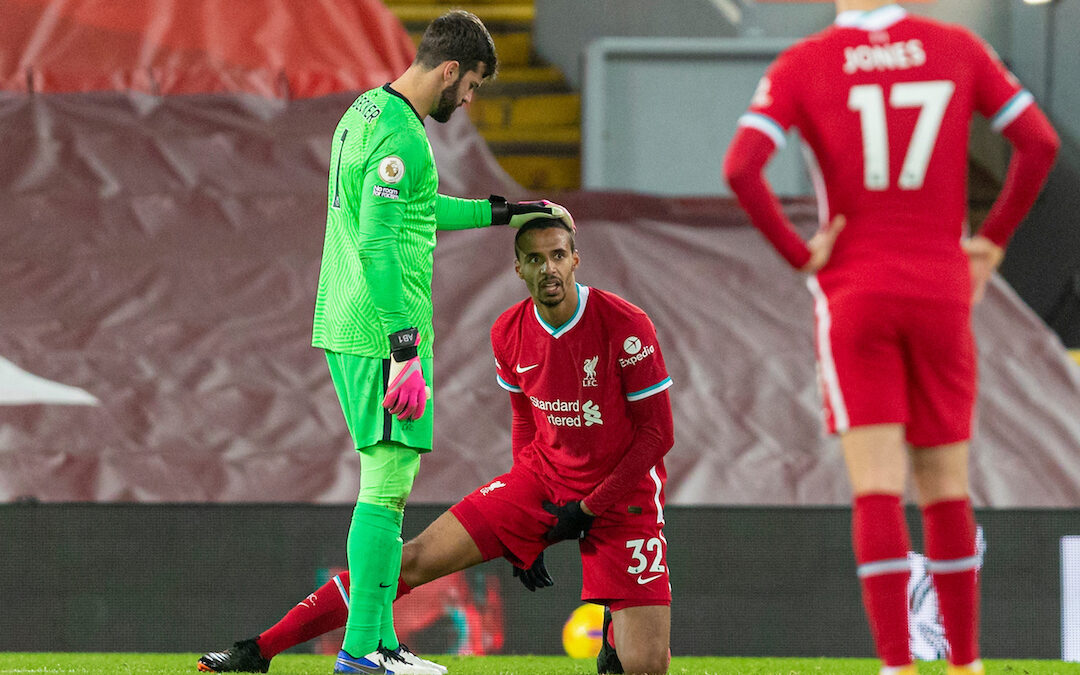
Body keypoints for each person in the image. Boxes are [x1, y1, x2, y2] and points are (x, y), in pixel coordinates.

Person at [722, 2, 1059, 675]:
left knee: (877, 487)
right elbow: (1040, 143)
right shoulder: (957, 47)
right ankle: (965, 663)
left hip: (856, 293)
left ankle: (897, 665)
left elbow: (741, 168)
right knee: (946, 488)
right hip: (940, 290)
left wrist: (800, 252)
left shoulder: (805, 62)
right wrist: (989, 244)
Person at [201, 218, 676, 675]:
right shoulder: (507, 331)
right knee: (407, 561)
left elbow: (658, 435)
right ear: (519, 268)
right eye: (535, 259)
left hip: (621, 495)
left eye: (557, 256)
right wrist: (529, 523)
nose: (548, 268)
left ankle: (614, 632)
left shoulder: (626, 324)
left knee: (645, 667)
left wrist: (589, 509)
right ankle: (260, 648)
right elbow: (524, 420)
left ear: (576, 260)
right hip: (543, 483)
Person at [305, 9, 573, 674]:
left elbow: (419, 212)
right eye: (474, 84)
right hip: (380, 332)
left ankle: (375, 642)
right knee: (387, 483)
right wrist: (403, 347)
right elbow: (375, 244)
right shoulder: (400, 135)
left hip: (349, 322)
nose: (471, 98)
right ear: (451, 69)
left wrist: (513, 210)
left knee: (387, 483)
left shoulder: (365, 113)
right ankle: (363, 647)